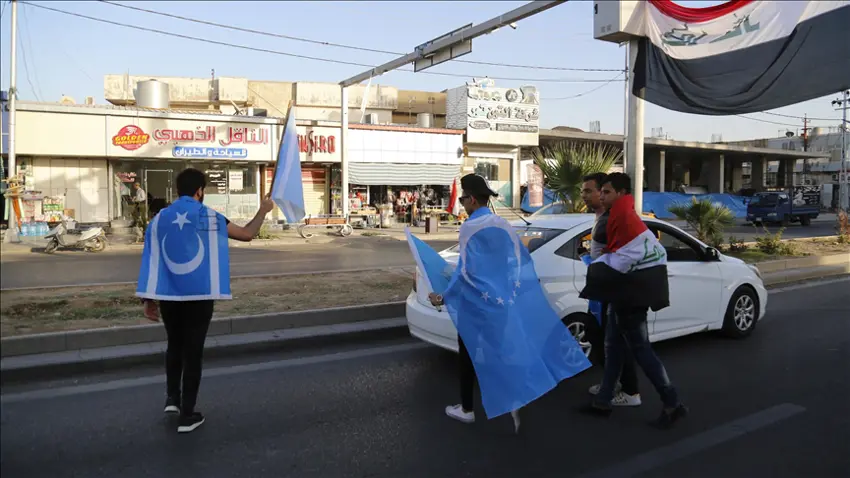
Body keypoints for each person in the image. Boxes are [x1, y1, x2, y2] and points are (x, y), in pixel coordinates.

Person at [426, 174, 591, 433]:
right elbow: (518, 261)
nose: (462, 203)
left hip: (476, 306)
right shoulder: (503, 224)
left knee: (468, 356)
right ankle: (517, 397)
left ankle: (467, 409)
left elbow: (465, 271)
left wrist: (443, 295)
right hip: (501, 304)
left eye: (462, 198)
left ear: (471, 199)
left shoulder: (471, 227)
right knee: (503, 352)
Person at [137, 168, 274, 433]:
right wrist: (264, 210)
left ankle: (172, 399)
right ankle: (187, 416)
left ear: (178, 190)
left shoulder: (160, 218)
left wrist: (148, 298)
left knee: (174, 345)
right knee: (193, 352)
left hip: (169, 296)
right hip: (199, 295)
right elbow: (247, 234)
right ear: (200, 190)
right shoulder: (209, 217)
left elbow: (151, 259)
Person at [580, 172, 687, 429]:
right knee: (613, 345)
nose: (600, 196)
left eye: (606, 192)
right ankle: (603, 400)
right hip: (624, 291)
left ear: (620, 193)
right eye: (600, 192)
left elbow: (625, 257)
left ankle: (672, 403)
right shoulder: (617, 216)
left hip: (631, 292)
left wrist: (600, 264)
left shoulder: (622, 218)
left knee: (641, 349)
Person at [580, 173, 642, 408]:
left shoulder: (612, 219)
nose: (584, 196)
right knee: (603, 337)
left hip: (613, 289)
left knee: (622, 342)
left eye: (590, 191)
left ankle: (630, 391)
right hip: (602, 287)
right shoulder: (601, 218)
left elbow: (620, 253)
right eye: (583, 191)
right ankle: (612, 383)